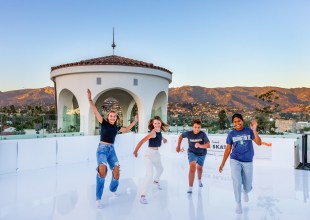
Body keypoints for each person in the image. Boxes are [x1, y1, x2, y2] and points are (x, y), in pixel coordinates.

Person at [87, 89, 138, 208]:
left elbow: (125, 129)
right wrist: (90, 99)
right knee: (102, 171)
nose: (112, 117)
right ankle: (98, 198)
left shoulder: (116, 128)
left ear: (116, 118)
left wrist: (134, 122)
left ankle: (112, 189)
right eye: (110, 116)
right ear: (108, 116)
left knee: (116, 172)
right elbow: (95, 111)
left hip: (111, 150)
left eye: (114, 116)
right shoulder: (103, 122)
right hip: (102, 150)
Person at [219, 113, 262, 214]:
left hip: (248, 160)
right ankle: (238, 203)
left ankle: (246, 191)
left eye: (239, 121)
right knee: (237, 181)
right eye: (235, 122)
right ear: (233, 123)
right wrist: (222, 164)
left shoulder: (249, 131)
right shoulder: (231, 134)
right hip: (235, 159)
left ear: (242, 121)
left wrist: (254, 130)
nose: (237, 123)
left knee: (247, 184)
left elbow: (259, 143)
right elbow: (228, 149)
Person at [133, 116, 168, 204]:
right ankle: (142, 196)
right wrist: (136, 151)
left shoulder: (159, 131)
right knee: (149, 175)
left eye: (158, 123)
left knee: (160, 169)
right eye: (155, 123)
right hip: (148, 155)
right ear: (152, 124)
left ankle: (156, 182)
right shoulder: (152, 133)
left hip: (156, 154)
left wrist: (164, 139)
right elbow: (141, 141)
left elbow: (160, 136)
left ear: (160, 123)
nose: (157, 125)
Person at [176, 119, 210, 194]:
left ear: (200, 127)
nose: (197, 129)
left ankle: (199, 180)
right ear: (192, 127)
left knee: (199, 168)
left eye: (198, 127)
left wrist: (200, 145)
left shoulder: (203, 134)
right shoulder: (188, 133)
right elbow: (181, 136)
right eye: (195, 127)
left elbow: (208, 145)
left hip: (202, 153)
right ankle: (190, 187)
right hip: (192, 153)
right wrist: (178, 146)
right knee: (192, 167)